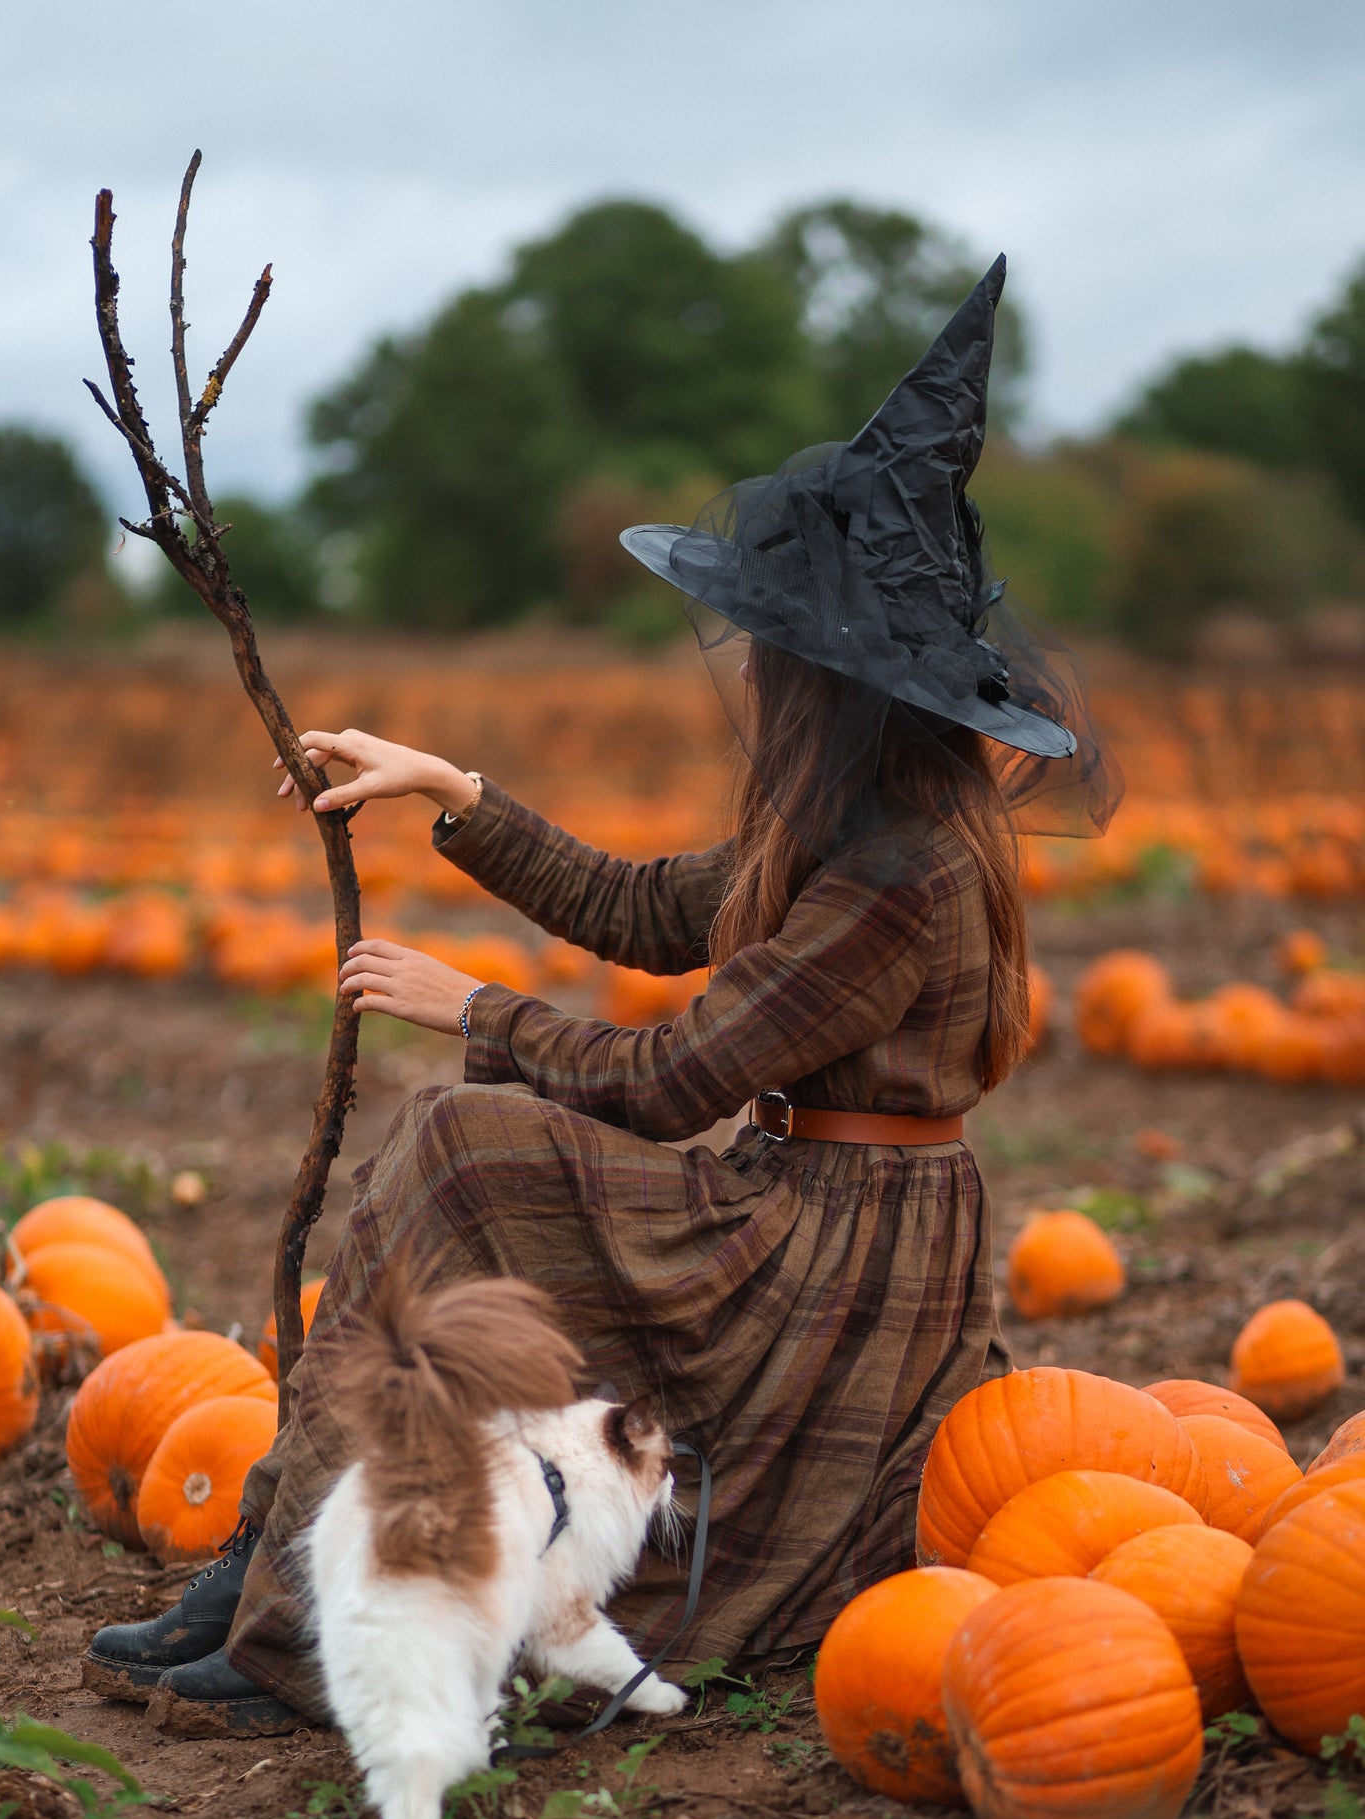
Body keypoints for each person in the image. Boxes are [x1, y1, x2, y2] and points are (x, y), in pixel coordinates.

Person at [85, 257, 1117, 1733]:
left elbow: (675, 1079)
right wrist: (456, 791)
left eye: (780, 652)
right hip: (790, 1207)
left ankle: (316, 1617)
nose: (754, 674)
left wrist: (472, 1008)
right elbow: (645, 912)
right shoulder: (839, 827)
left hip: (838, 1259)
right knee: (462, 1149)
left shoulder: (908, 874)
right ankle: (281, 1561)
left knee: (463, 1141)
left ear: (847, 682)